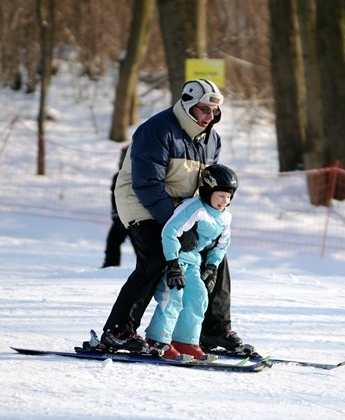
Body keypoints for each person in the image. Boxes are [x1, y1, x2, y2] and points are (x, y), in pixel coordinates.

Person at [99, 79, 251, 354]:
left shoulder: (211, 139)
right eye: (204, 109)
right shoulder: (157, 130)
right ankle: (119, 330)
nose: (209, 116)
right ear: (188, 103)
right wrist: (178, 226)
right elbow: (146, 184)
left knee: (215, 256)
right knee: (157, 256)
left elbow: (207, 185)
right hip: (142, 203)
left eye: (214, 111)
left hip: (182, 209)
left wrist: (210, 223)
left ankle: (213, 330)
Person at [144, 164, 237, 359]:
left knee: (199, 296)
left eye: (229, 197)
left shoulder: (225, 218)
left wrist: (212, 267)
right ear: (208, 189)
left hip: (193, 263)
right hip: (174, 259)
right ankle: (157, 340)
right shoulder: (194, 208)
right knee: (173, 296)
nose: (224, 202)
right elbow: (170, 232)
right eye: (220, 195)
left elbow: (222, 245)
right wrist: (173, 264)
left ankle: (185, 341)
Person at [101, 146, 129, 268]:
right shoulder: (118, 176)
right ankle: (110, 266)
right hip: (121, 217)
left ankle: (147, 269)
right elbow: (115, 197)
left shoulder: (139, 174)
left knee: (142, 246)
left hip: (137, 216)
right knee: (113, 241)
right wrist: (115, 212)